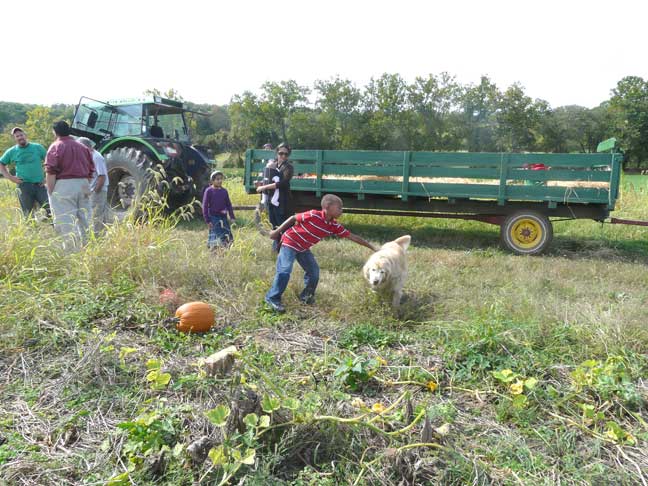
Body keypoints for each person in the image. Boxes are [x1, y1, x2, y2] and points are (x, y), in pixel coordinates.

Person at [264, 194, 376, 313]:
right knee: (284, 270)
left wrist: (373, 247)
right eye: (339, 208)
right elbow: (293, 218)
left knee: (314, 272)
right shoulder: (313, 214)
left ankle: (306, 297)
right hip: (290, 242)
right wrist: (277, 231)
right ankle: (272, 298)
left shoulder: (333, 226)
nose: (341, 211)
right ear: (328, 207)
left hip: (303, 248)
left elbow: (353, 237)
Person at [45, 121, 95, 252]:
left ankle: (71, 253)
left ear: (55, 132)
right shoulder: (83, 147)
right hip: (84, 183)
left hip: (64, 185)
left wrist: (51, 192)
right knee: (85, 219)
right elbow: (91, 169)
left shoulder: (55, 146)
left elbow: (51, 171)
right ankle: (89, 249)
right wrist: (84, 184)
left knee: (65, 221)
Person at [0, 127, 50, 218]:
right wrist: (10, 177)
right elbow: (1, 163)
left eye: (21, 135)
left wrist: (47, 178)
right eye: (17, 136)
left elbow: (49, 161)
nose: (20, 137)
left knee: (50, 209)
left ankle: (55, 230)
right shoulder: (12, 151)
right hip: (24, 186)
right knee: (28, 214)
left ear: (25, 135)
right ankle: (33, 231)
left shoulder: (37, 147)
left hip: (40, 185)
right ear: (14, 138)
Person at [256, 142, 294, 252]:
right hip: (272, 200)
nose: (283, 156)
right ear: (277, 153)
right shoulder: (271, 165)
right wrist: (261, 184)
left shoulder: (288, 167)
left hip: (283, 201)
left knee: (283, 226)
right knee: (274, 225)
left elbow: (283, 183)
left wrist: (264, 187)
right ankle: (276, 249)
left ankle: (285, 250)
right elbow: (266, 177)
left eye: (286, 154)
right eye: (281, 153)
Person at [77, 137, 110, 234]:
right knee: (92, 215)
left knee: (96, 216)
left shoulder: (96, 157)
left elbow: (102, 176)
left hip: (98, 191)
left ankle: (97, 237)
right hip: (91, 190)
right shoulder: (88, 156)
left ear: (85, 147)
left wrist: (95, 191)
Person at [202, 170, 235, 249]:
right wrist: (207, 220)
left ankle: (226, 249)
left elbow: (229, 204)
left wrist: (232, 216)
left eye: (221, 179)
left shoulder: (224, 191)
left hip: (223, 216)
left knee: (226, 233)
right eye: (217, 179)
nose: (220, 181)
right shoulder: (209, 191)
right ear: (212, 181)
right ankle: (214, 250)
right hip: (213, 216)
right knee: (217, 234)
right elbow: (205, 206)